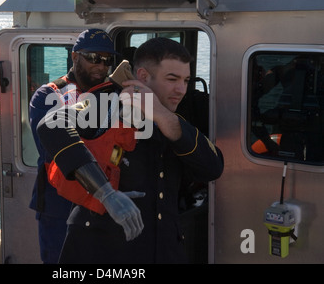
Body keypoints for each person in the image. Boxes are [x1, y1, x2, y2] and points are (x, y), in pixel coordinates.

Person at [37, 37, 224, 263]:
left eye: (186, 80)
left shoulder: (172, 120)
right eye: (172, 79)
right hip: (102, 252)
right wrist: (104, 193)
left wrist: (163, 116)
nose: (182, 89)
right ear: (143, 76)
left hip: (163, 250)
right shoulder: (105, 105)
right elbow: (51, 123)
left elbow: (213, 168)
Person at [28, 29, 118, 263]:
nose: (101, 66)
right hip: (60, 207)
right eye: (94, 58)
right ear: (75, 57)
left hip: (103, 205)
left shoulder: (115, 94)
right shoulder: (48, 95)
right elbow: (51, 148)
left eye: (108, 60)